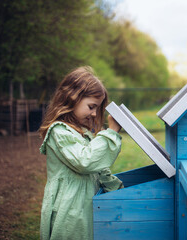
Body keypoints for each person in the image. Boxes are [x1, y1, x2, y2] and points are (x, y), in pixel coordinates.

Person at [38, 66, 123, 240]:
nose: (94, 113)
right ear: (72, 98)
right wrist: (112, 131)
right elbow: (86, 162)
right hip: (68, 211)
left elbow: (99, 170)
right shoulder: (59, 132)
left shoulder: (83, 134)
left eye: (97, 109)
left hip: (84, 208)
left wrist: (120, 191)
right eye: (91, 106)